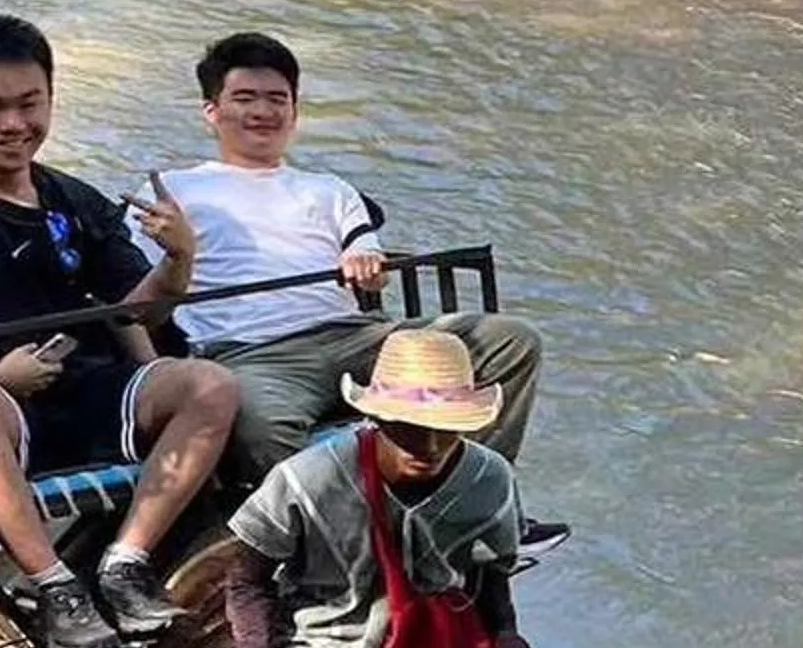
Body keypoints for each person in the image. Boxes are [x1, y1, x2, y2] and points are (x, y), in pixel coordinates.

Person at [0, 13, 241, 648]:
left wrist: (176, 261)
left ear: (51, 101)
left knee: (212, 384)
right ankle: (55, 586)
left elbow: (132, 313)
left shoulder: (75, 201)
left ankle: (127, 560)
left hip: (85, 386)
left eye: (29, 105)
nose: (13, 125)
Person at [150, 31, 546, 480]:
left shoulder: (330, 189)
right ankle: (333, 528)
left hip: (358, 337)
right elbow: (141, 294)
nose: (262, 111)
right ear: (212, 111)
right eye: (244, 98)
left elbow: (366, 254)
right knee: (262, 426)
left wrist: (367, 264)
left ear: (294, 111)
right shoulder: (172, 191)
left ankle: (469, 492)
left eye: (277, 99)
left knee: (511, 340)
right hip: (254, 353)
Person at [219, 330, 529, 648]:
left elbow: (490, 575)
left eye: (446, 430)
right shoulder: (307, 479)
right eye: (409, 429)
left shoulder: (491, 478)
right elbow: (248, 580)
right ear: (376, 418)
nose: (430, 446)